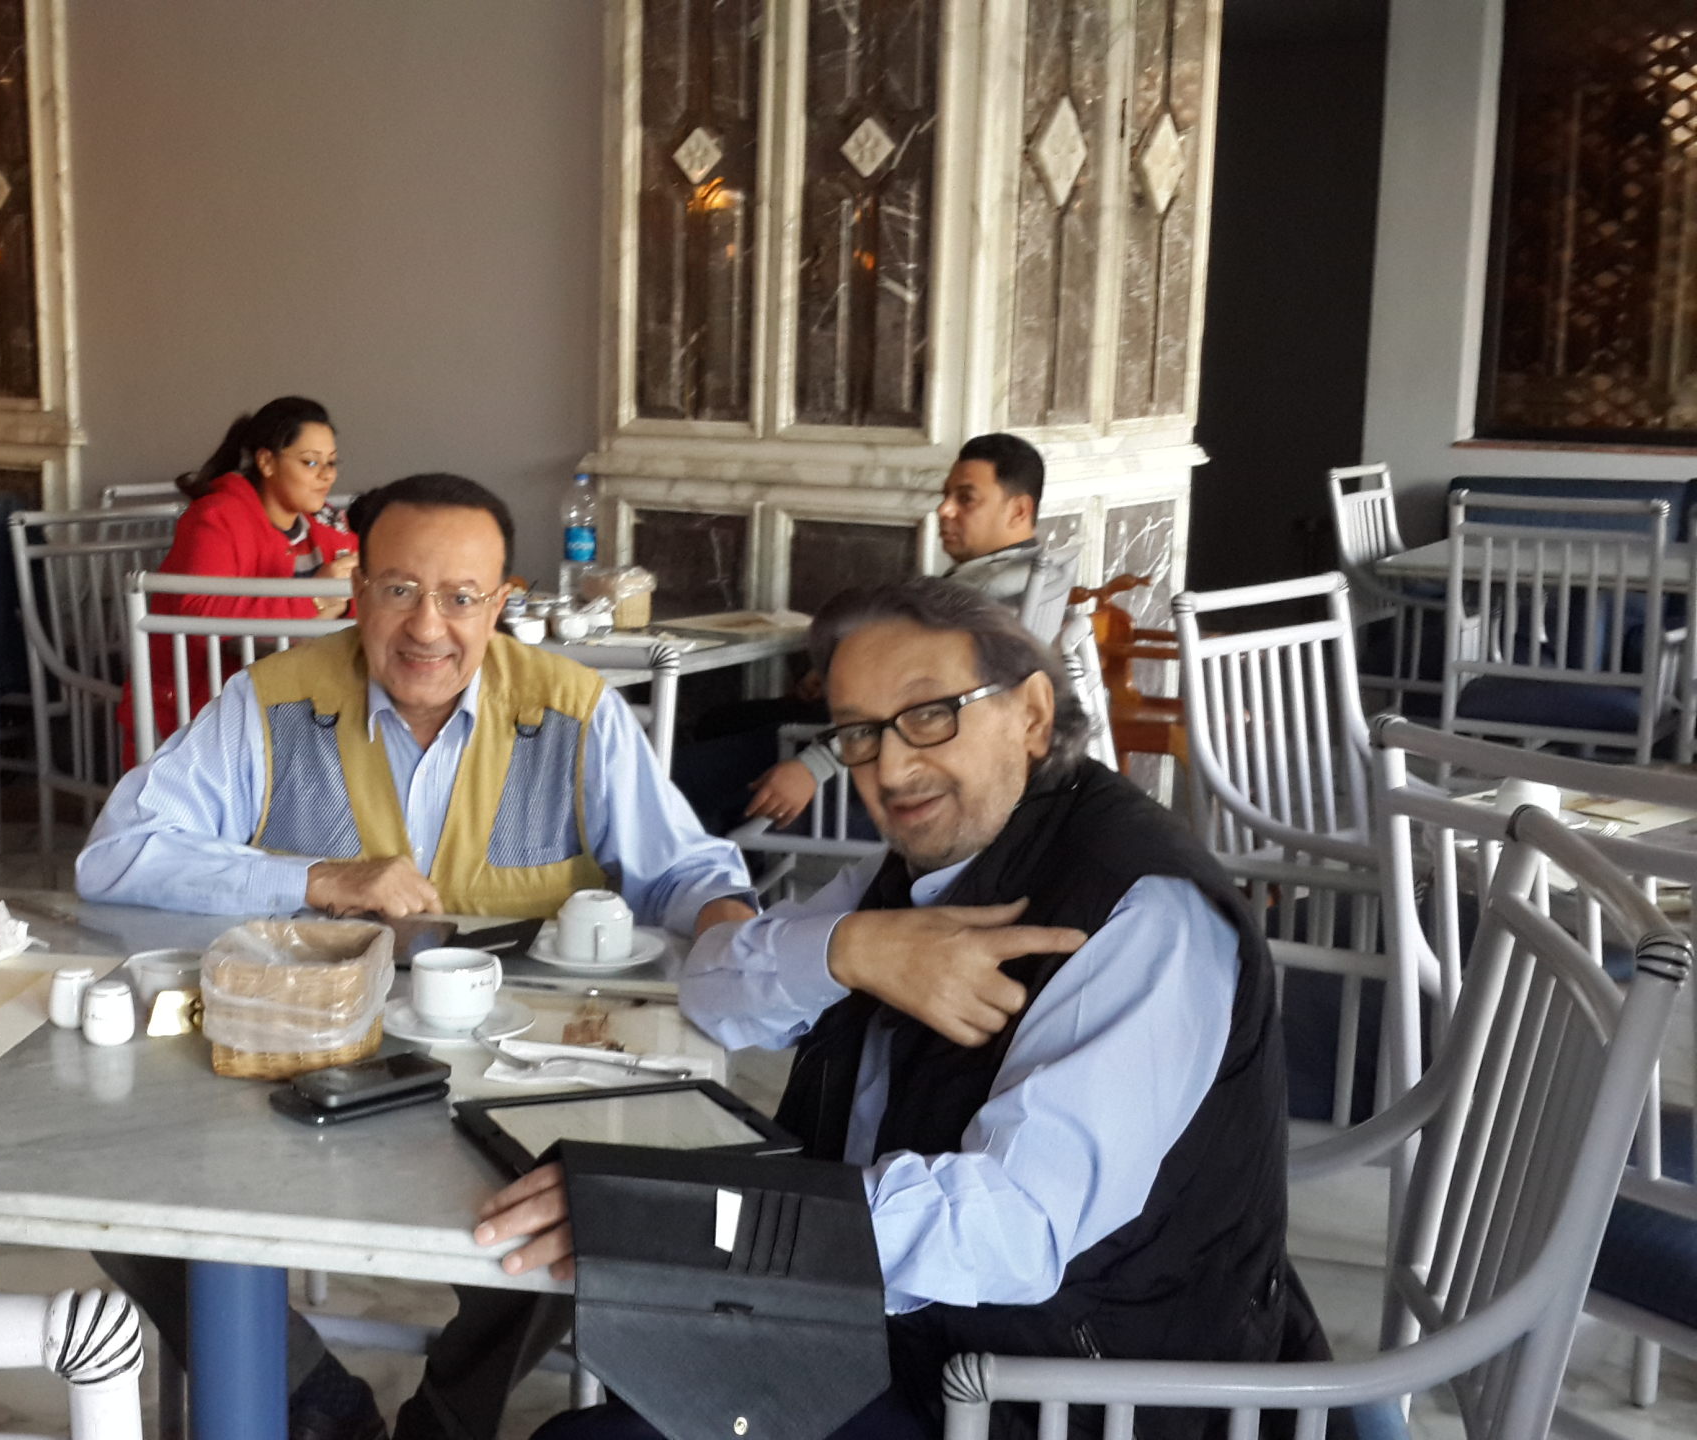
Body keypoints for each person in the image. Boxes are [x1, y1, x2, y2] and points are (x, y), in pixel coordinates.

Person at [477, 578, 1340, 1440]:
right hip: (898, 1344)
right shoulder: (928, 868)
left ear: (1032, 715)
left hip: (1058, 1397)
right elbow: (714, 988)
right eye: (859, 732)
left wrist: (688, 1217)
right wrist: (852, 951)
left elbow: (1015, 1225)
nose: (889, 768)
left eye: (931, 714)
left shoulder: (1141, 910)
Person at [80, 471, 759, 1440]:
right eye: (399, 590)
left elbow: (684, 869)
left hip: (518, 1075)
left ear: (502, 601)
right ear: (356, 590)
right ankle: (315, 1405)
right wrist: (320, 878)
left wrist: (734, 932)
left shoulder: (573, 713)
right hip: (305, 1064)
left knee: (596, 1198)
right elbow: (115, 856)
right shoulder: (272, 703)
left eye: (460, 597)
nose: (427, 627)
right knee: (122, 1194)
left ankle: (446, 1422)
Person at [742, 432, 1049, 828]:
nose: (944, 510)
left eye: (966, 499)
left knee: (698, 765)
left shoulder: (989, 598)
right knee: (728, 720)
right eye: (946, 496)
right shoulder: (1030, 575)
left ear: (1019, 510)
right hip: (874, 738)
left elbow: (917, 705)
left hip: (876, 765)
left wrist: (813, 766)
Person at [118, 395, 359, 761]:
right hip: (200, 707)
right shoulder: (216, 517)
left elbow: (360, 586)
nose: (327, 476)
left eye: (331, 462)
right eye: (311, 462)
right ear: (266, 462)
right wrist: (313, 600)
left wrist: (339, 598)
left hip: (288, 692)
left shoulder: (325, 520)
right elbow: (199, 613)